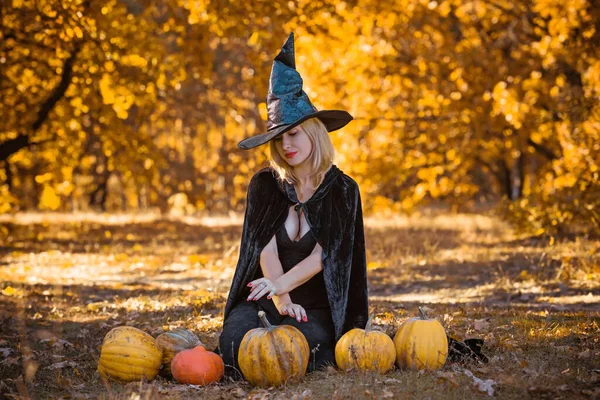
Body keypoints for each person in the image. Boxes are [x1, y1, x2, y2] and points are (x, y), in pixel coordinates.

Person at [215, 32, 368, 380]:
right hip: (266, 295)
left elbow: (321, 257)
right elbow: (264, 249)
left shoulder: (343, 190)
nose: (286, 145)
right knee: (235, 346)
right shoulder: (265, 185)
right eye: (279, 138)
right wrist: (280, 299)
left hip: (316, 302)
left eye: (294, 134)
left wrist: (284, 288)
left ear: (313, 132)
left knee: (304, 348)